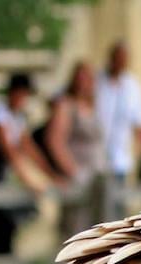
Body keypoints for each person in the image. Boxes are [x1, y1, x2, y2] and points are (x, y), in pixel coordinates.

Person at [0, 72, 57, 254]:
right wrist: (28, 178)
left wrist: (49, 173)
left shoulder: (18, 117)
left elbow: (28, 148)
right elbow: (8, 150)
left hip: (7, 171)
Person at [44, 61, 104, 236]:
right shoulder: (66, 105)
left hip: (97, 177)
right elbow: (54, 140)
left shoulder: (92, 107)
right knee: (77, 231)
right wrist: (73, 171)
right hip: (79, 177)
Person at [96, 42, 141, 182]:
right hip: (93, 160)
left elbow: (140, 126)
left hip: (119, 160)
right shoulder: (96, 81)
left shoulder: (133, 86)